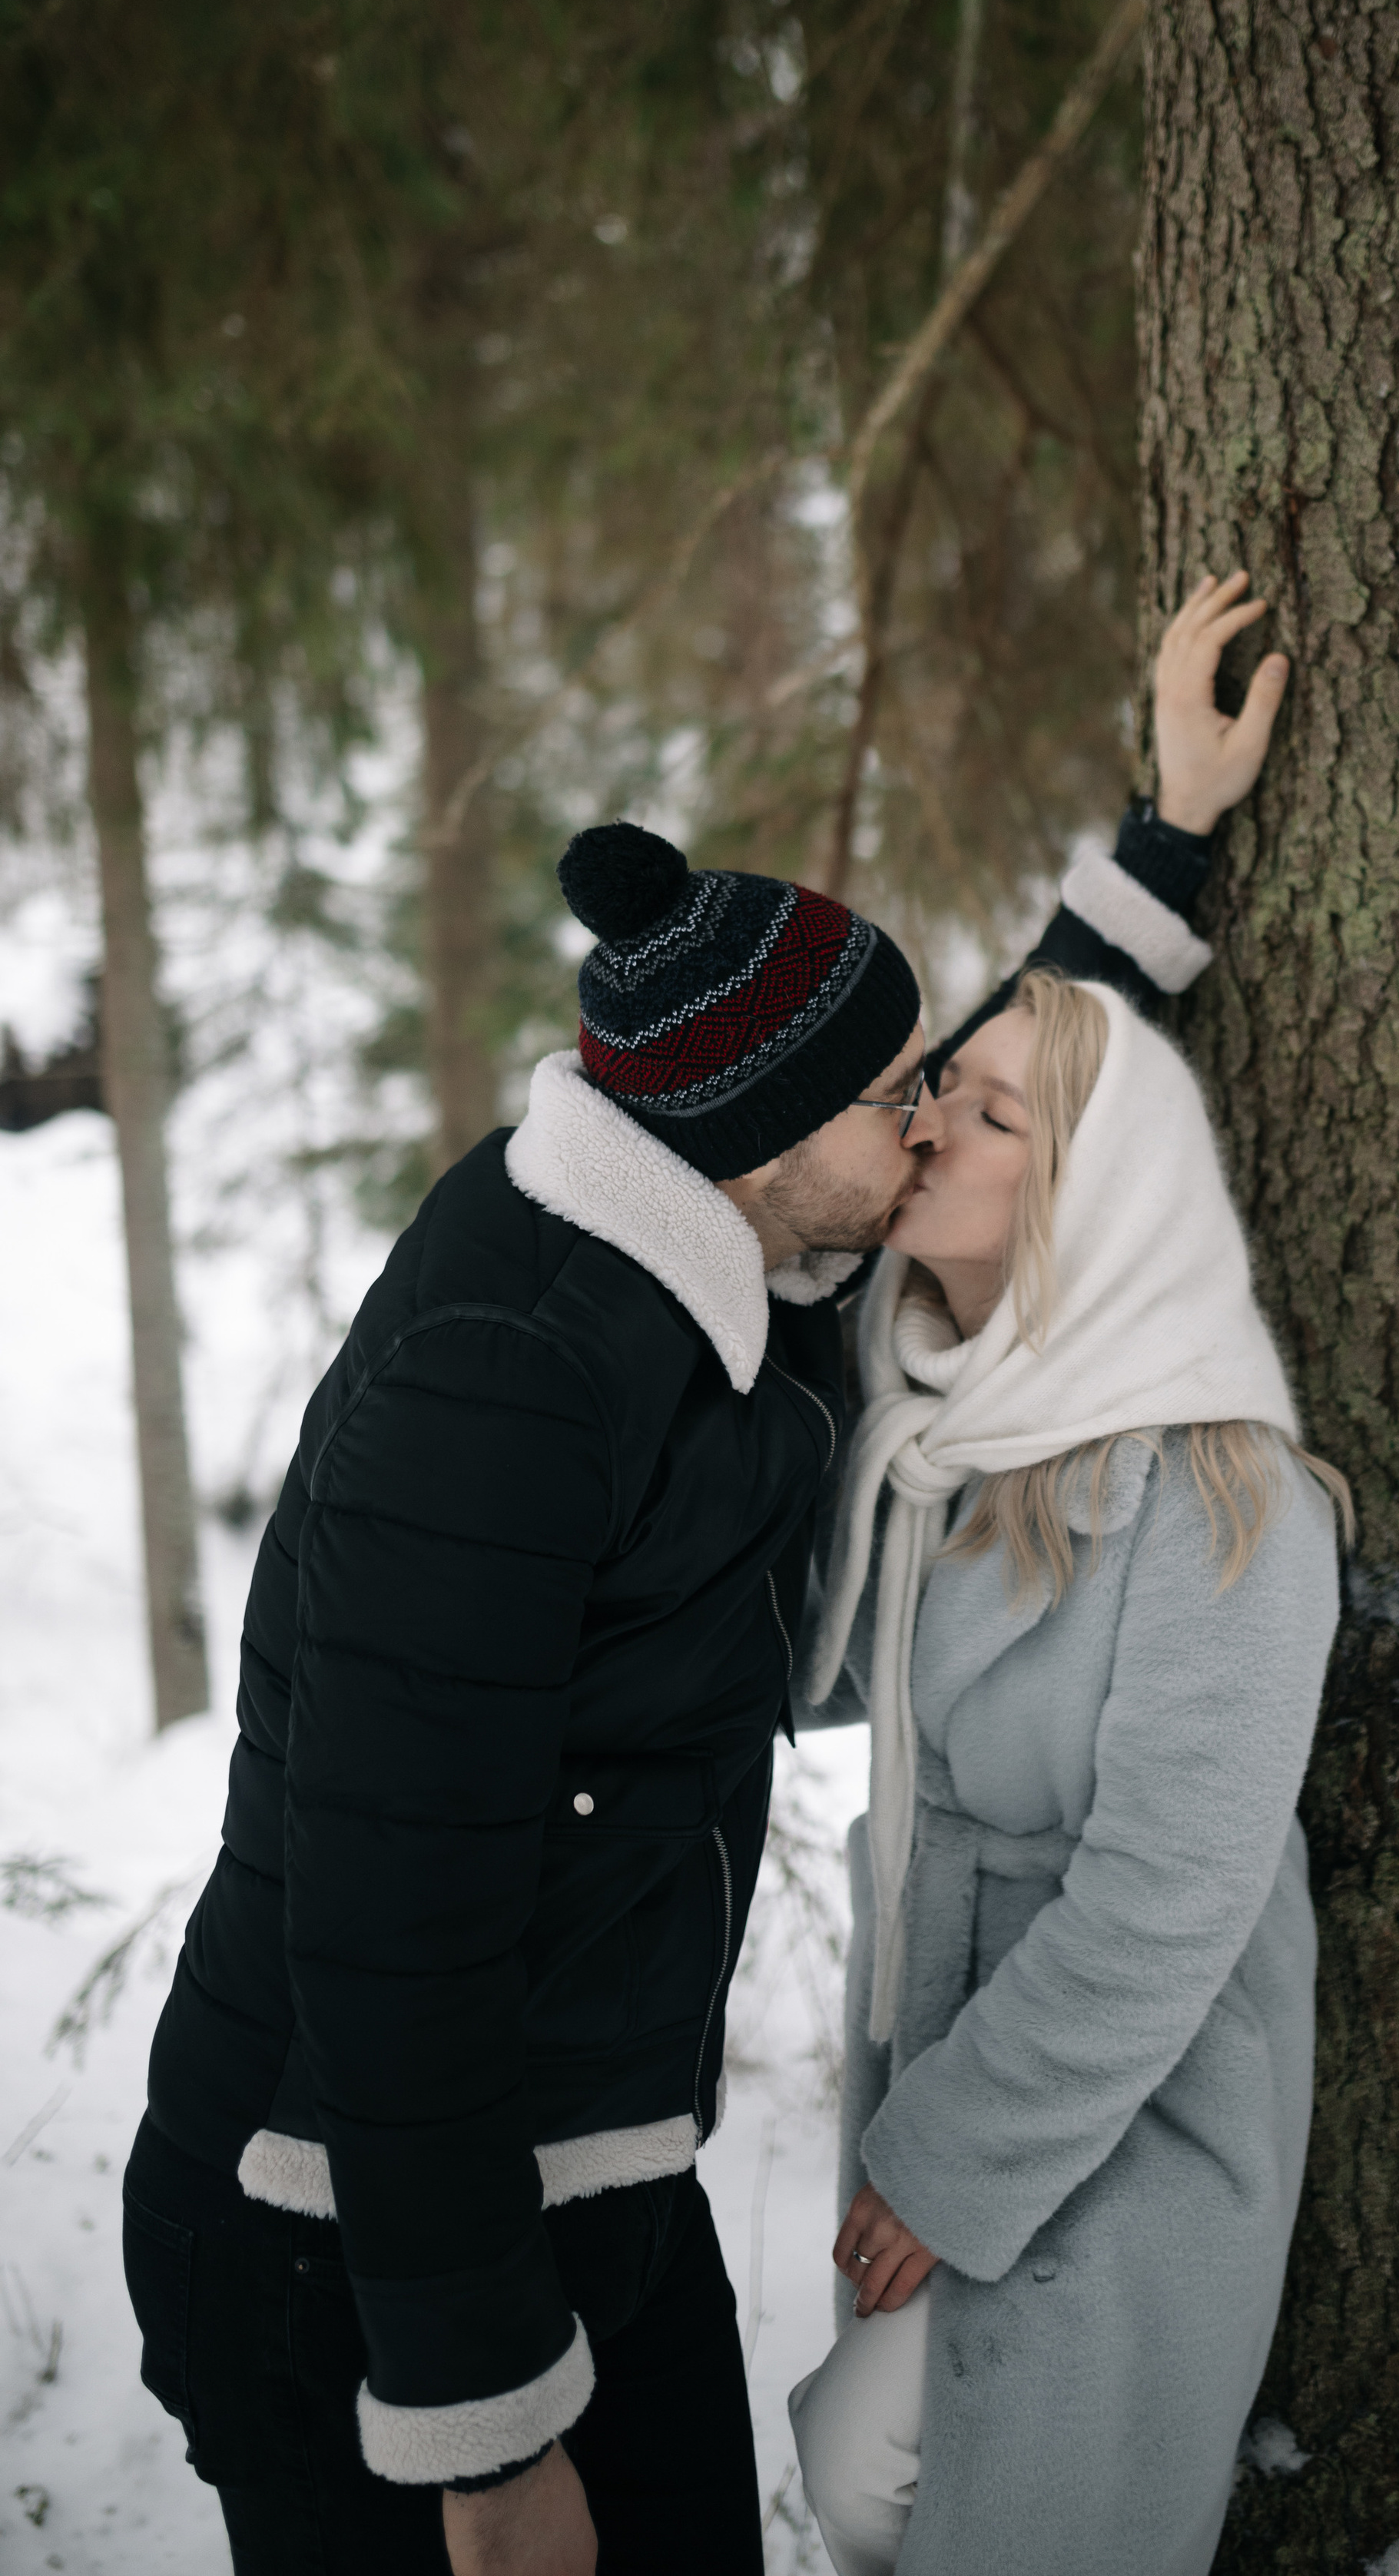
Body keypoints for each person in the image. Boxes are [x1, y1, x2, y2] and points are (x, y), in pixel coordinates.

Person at [120, 566, 1289, 2576]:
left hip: (583, 2179)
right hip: (351, 2237)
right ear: (756, 1132)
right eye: (899, 1095)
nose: (937, 1126)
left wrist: (1167, 836)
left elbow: (1010, 1082)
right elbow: (393, 1932)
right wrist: (482, 2438)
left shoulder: (758, 1242)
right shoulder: (504, 1392)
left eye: (937, 1086)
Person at [786, 957, 1350, 2576]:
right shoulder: (932, 1436)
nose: (924, 1124)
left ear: (1091, 1196)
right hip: (949, 2035)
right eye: (933, 1087)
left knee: (907, 2480)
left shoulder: (1223, 1492)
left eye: (987, 1111)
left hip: (1124, 2098)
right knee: (889, 2489)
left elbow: (1170, 1894)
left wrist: (953, 2162)